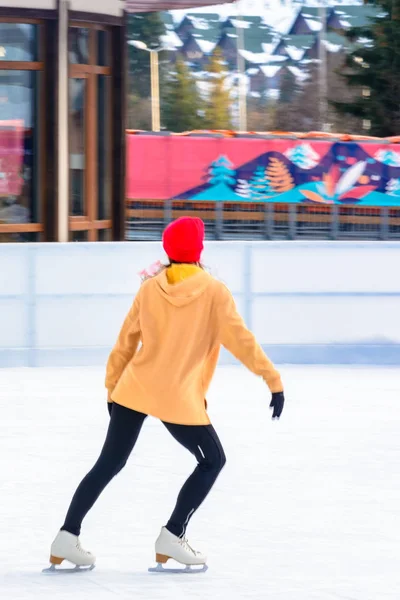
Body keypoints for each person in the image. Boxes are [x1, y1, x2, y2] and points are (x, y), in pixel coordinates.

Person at [48, 216, 285, 571]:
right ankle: (172, 536)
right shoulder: (214, 292)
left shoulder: (150, 287)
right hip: (177, 398)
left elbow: (125, 342)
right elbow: (241, 341)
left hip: (135, 390)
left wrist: (112, 388)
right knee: (212, 460)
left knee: (108, 464)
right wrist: (273, 380)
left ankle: (66, 537)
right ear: (199, 250)